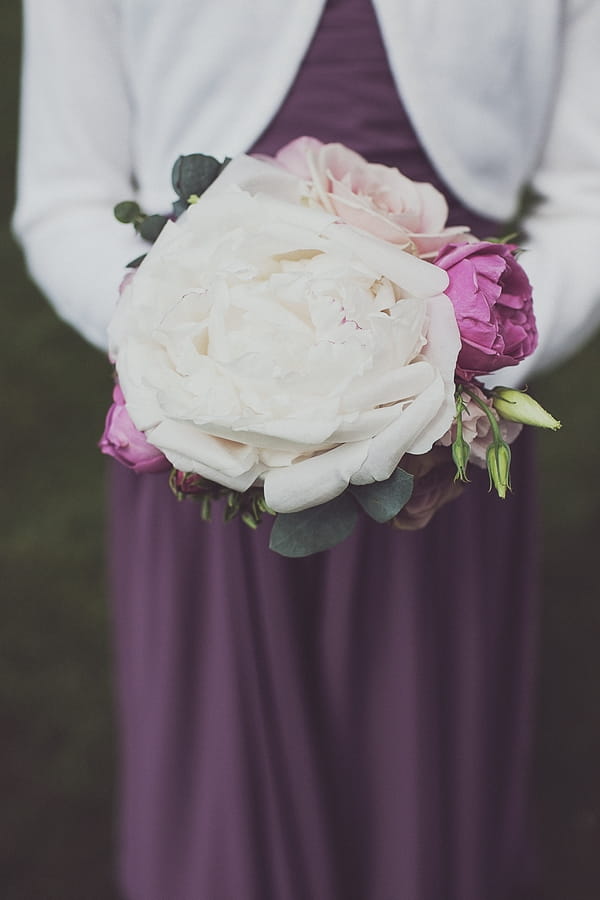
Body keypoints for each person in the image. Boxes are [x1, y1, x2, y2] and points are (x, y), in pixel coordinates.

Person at [13, 1, 600, 898]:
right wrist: (181, 345)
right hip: (210, 423)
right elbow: (62, 197)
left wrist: (465, 356)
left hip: (445, 429)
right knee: (223, 788)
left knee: (426, 774)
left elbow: (590, 194)